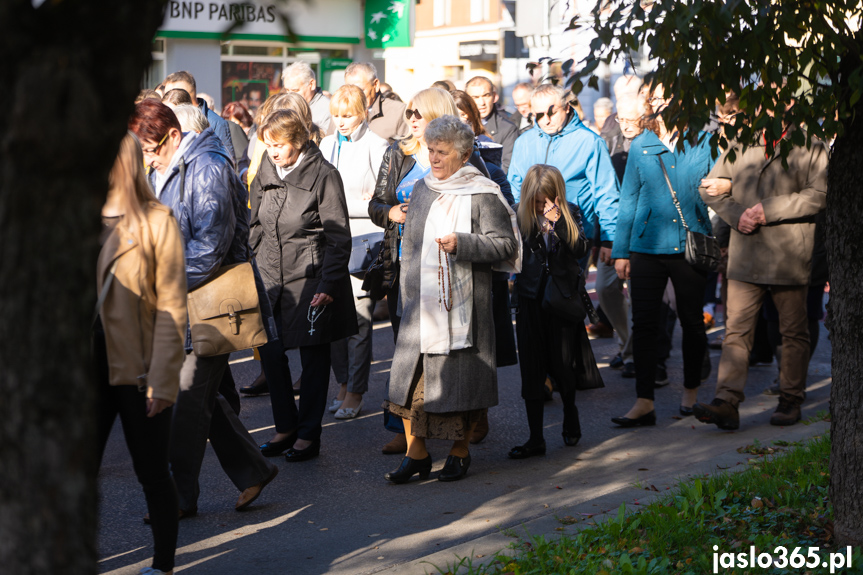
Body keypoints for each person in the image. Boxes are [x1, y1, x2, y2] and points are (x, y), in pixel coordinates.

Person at [128, 100, 278, 518]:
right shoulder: (168, 164)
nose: (147, 159)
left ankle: (178, 497)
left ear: (173, 136)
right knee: (198, 401)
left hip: (208, 304)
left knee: (187, 405)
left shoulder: (208, 167)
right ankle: (254, 470)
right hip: (185, 303)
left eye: (151, 149)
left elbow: (210, 249)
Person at [382, 115, 519, 483]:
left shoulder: (482, 191)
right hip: (420, 306)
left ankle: (460, 452)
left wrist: (464, 243)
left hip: (464, 311)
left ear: (462, 154)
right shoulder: (423, 188)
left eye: (441, 152)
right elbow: (409, 249)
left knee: (457, 386)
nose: (434, 158)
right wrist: (405, 301)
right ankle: (418, 454)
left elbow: (506, 245)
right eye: (430, 150)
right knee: (413, 387)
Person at [367, 87, 491, 455]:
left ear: (438, 114)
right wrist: (390, 213)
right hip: (404, 261)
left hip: (450, 267)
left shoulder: (465, 155)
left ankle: (461, 428)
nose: (412, 120)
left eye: (419, 113)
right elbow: (377, 202)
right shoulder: (398, 153)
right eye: (409, 113)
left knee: (452, 350)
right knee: (407, 349)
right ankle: (408, 435)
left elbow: (488, 196)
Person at [693, 104, 828, 429]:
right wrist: (735, 213)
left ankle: (790, 399)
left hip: (789, 253)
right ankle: (726, 401)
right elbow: (708, 187)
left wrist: (769, 210)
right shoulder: (741, 139)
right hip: (745, 254)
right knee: (735, 331)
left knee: (793, 332)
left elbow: (819, 194)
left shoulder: (811, 141)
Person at [94, 133, 187, 575]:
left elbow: (172, 307)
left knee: (152, 472)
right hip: (84, 373)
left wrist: (164, 379)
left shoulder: (156, 221)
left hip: (137, 369)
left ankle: (163, 564)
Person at [249, 109, 358, 461]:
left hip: (310, 278)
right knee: (271, 354)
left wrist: (329, 282)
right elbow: (254, 225)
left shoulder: (324, 175)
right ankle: (286, 427)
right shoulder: (264, 171)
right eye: (268, 145)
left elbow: (339, 236)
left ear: (298, 141)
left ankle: (309, 434)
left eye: (279, 145)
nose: (273, 151)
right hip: (268, 277)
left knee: (313, 360)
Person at [610, 84, 715, 426]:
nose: (657, 103)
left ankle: (690, 393)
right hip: (645, 248)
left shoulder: (704, 141)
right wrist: (620, 251)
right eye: (653, 98)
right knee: (644, 325)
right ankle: (644, 402)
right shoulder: (641, 144)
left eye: (664, 96)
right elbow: (628, 201)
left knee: (692, 322)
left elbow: (717, 189)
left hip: (689, 245)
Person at [509, 164, 591, 458]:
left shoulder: (570, 212)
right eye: (537, 199)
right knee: (531, 370)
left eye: (548, 198)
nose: (543, 205)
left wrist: (560, 223)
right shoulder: (519, 215)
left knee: (562, 365)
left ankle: (570, 412)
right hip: (530, 299)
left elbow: (581, 249)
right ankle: (535, 438)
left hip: (561, 300)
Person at [319, 84, 388, 419]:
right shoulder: (326, 143)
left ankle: (357, 391)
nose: (341, 122)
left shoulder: (378, 145)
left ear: (363, 112)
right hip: (330, 244)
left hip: (363, 244)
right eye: (336, 115)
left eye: (347, 115)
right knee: (333, 320)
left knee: (359, 322)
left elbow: (381, 203)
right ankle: (343, 384)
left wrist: (340, 206)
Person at [162, 71, 236, 165]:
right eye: (167, 94)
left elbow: (227, 163)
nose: (169, 97)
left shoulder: (215, 123)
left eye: (174, 93)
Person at [343, 62, 409, 143]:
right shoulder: (340, 113)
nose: (356, 96)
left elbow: (409, 148)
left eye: (361, 90)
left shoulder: (399, 112)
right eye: (350, 91)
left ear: (376, 84)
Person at [465, 76, 518, 172]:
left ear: (494, 96)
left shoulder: (508, 129)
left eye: (486, 95)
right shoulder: (460, 126)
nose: (482, 103)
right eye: (476, 97)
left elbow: (506, 168)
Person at [282, 61, 332, 134]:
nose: (290, 95)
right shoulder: (285, 106)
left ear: (311, 84)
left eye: (295, 90)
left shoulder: (328, 109)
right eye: (287, 90)